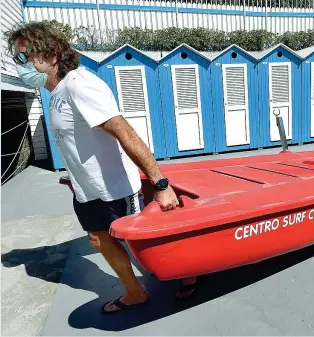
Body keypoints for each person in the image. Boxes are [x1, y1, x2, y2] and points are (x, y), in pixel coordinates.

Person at [5, 22, 198, 313]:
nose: (21, 65)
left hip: (116, 189)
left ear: (53, 54)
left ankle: (189, 272)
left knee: (144, 241)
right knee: (98, 239)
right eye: (17, 58)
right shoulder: (56, 93)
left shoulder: (80, 85)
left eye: (25, 57)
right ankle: (135, 293)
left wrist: (160, 184)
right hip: (87, 191)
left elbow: (124, 132)